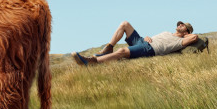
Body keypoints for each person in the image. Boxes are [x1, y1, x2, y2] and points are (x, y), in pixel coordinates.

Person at [72, 20, 204, 65]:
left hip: (150, 49)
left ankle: (92, 62)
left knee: (123, 51)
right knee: (125, 24)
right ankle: (109, 48)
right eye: (179, 23)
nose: (180, 24)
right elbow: (153, 38)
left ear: (187, 31)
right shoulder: (168, 32)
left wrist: (188, 33)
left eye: (183, 25)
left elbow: (195, 37)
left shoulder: (181, 40)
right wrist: (147, 37)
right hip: (143, 42)